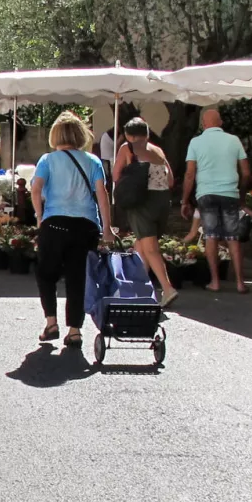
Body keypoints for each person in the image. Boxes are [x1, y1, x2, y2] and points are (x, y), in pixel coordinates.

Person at [30, 112, 114, 348]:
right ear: (80, 135)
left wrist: (39, 216)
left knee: (46, 274)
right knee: (77, 278)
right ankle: (75, 330)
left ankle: (51, 323)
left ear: (54, 135)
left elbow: (36, 189)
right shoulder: (93, 161)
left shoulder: (47, 160)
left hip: (54, 222)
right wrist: (107, 227)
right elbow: (102, 195)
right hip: (86, 225)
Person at [181, 107, 252, 292]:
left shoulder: (195, 142)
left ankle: (215, 281)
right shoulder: (234, 140)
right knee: (232, 238)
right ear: (220, 122)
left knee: (211, 236)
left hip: (206, 193)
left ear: (203, 124)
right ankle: (240, 283)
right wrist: (242, 195)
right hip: (230, 193)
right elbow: (246, 172)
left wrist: (184, 200)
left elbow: (190, 174)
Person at [111, 117, 178, 307]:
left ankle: (167, 288)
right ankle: (136, 289)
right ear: (147, 133)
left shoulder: (127, 147)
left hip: (141, 202)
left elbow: (116, 175)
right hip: (162, 201)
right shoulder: (158, 150)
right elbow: (171, 180)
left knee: (150, 247)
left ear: (128, 135)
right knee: (141, 244)